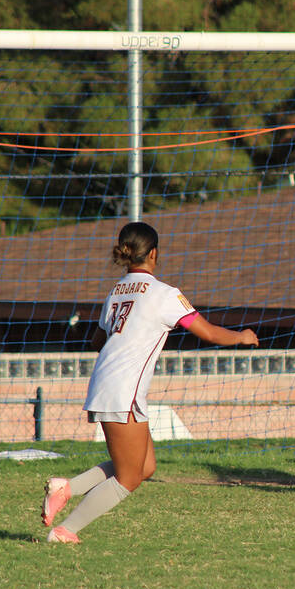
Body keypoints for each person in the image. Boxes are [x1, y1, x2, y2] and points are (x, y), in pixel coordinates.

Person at [42, 221, 259, 544]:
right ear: (154, 253)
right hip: (123, 389)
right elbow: (210, 332)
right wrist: (242, 336)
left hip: (107, 383)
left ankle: (67, 488)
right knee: (128, 478)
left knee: (144, 466)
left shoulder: (116, 290)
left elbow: (96, 341)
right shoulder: (165, 294)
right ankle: (66, 530)